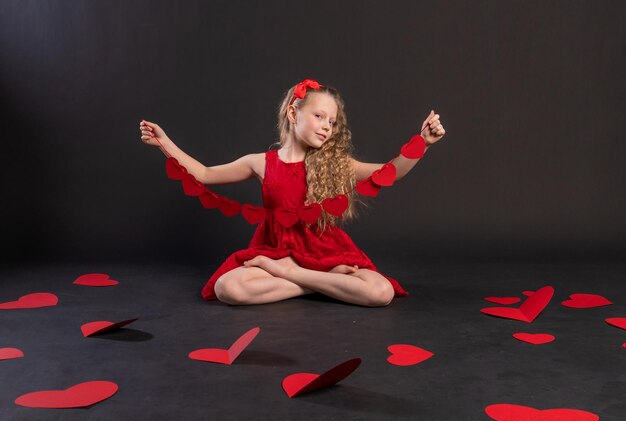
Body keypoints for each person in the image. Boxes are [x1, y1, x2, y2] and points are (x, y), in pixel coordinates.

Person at [139, 79, 445, 307]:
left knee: (381, 292)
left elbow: (391, 171)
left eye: (332, 121)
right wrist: (165, 143)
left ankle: (297, 277)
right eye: (320, 116)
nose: (327, 127)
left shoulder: (338, 163)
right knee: (227, 289)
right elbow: (204, 174)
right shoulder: (259, 162)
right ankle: (318, 284)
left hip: (325, 252)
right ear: (293, 113)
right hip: (276, 251)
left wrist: (423, 143)